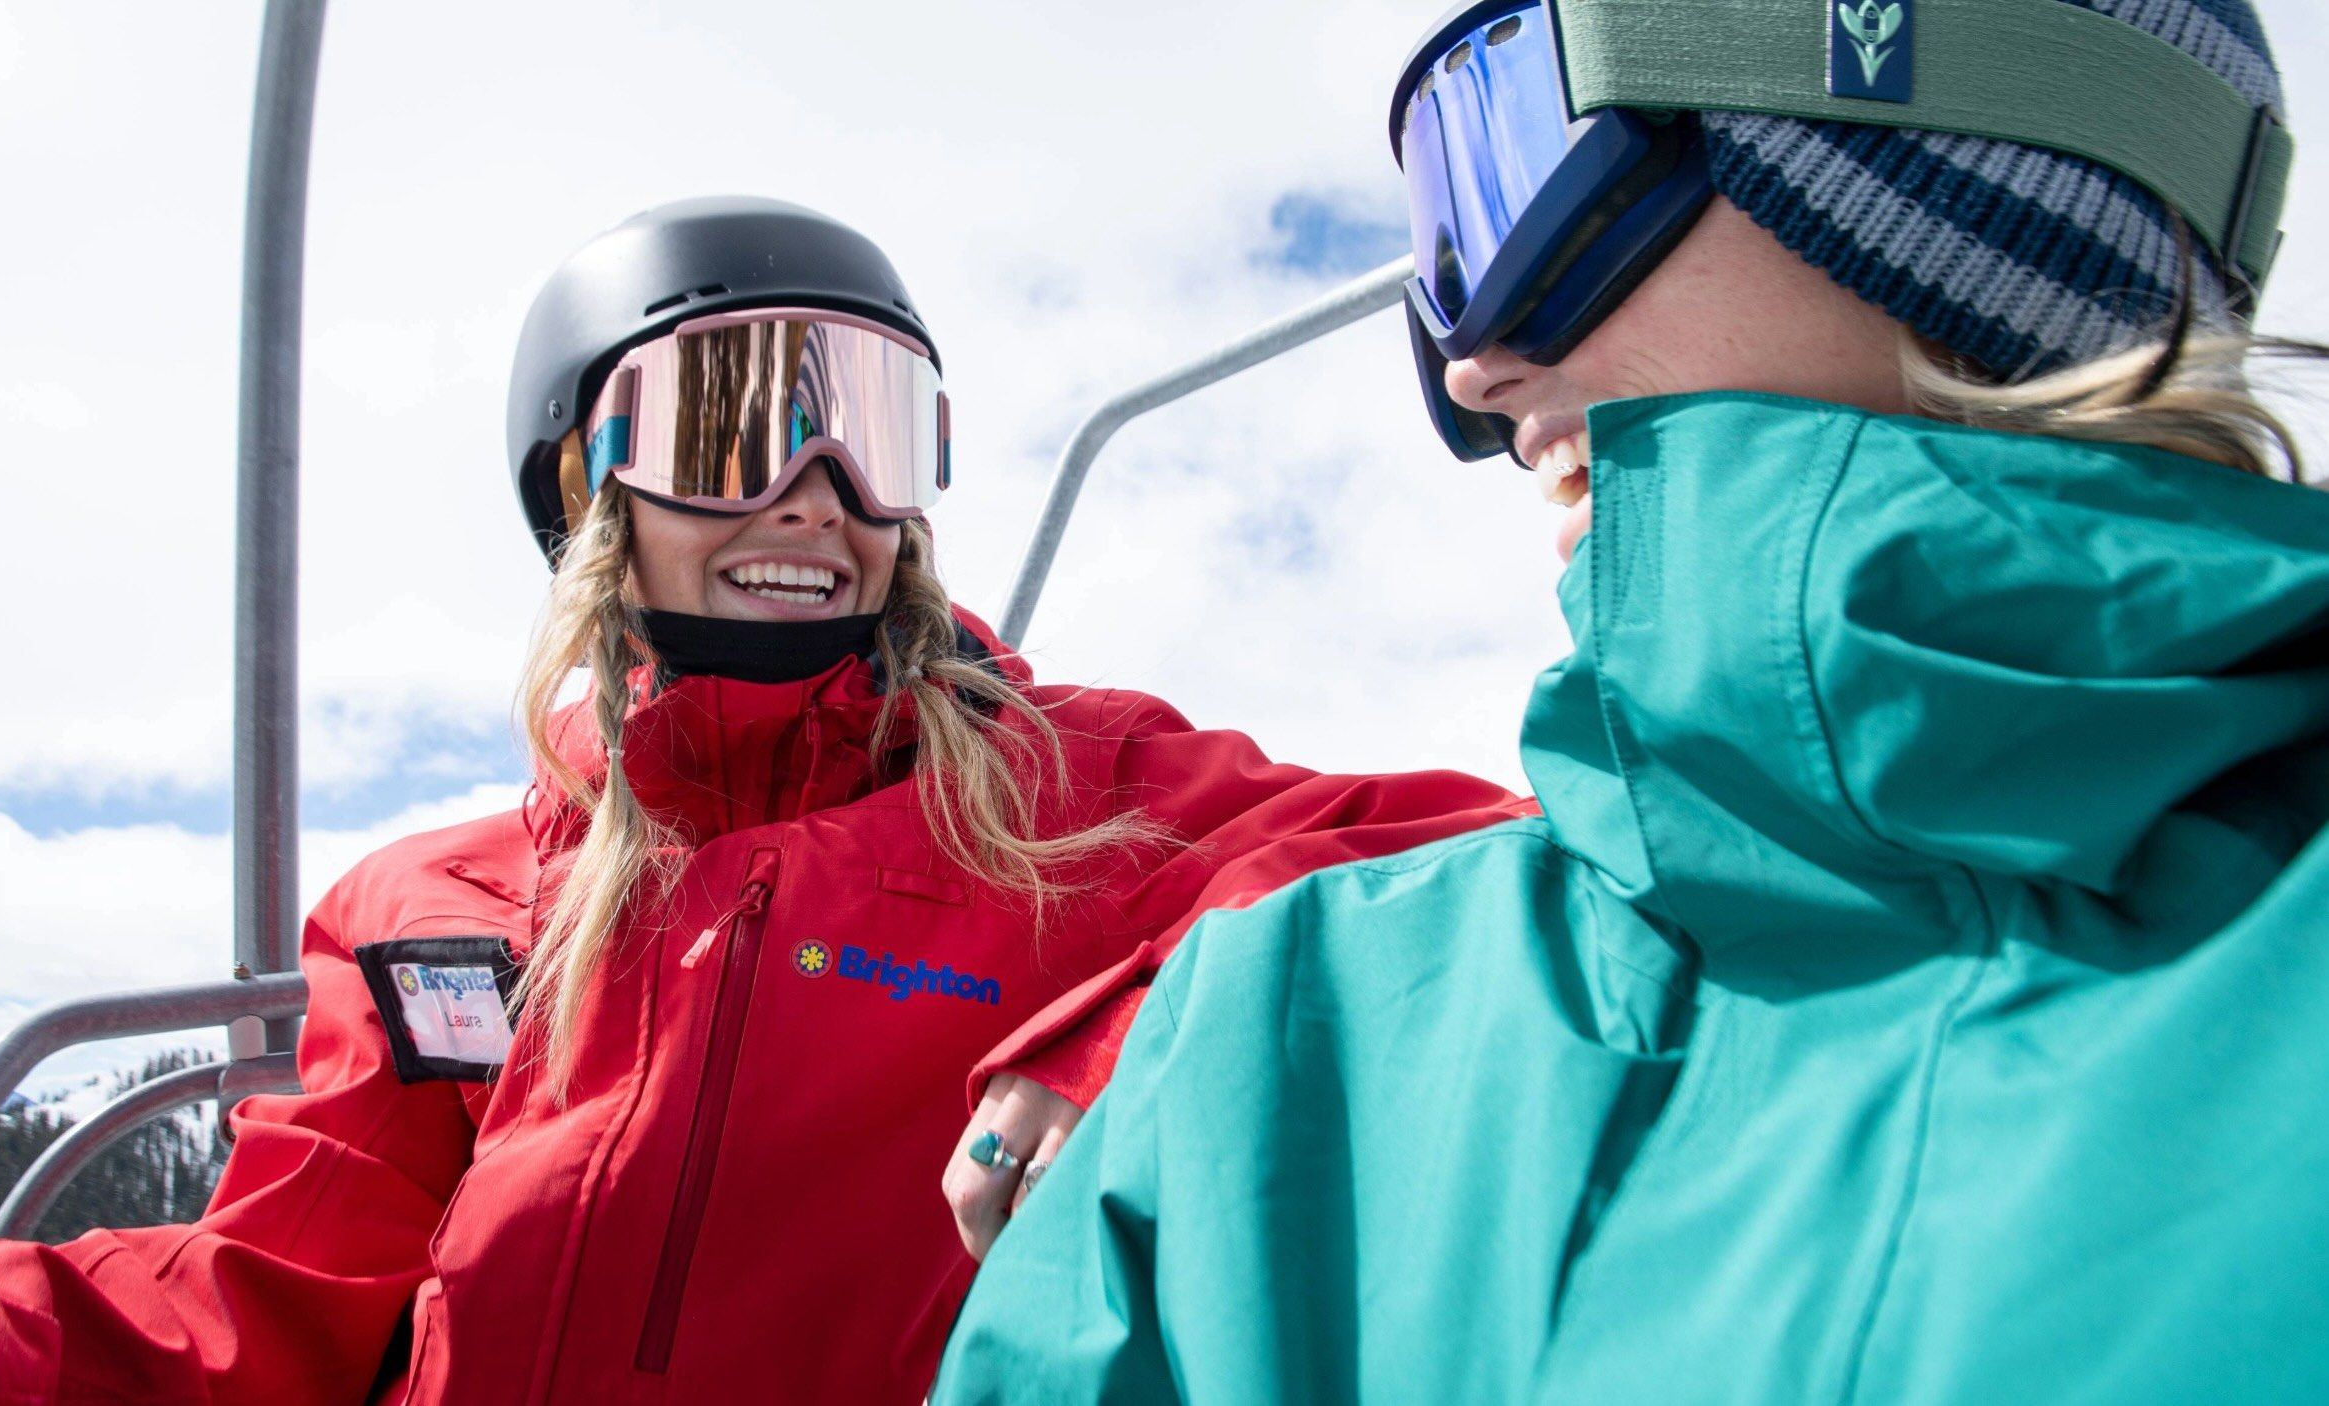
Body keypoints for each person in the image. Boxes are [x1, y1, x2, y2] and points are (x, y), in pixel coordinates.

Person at [0, 198, 1533, 1404]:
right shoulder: (432, 911)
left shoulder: (1062, 804)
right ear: (588, 482)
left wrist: (1145, 1032)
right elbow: (262, 1316)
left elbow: (1469, 862)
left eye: (868, 427)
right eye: (733, 421)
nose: (815, 491)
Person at [935, 1, 2329, 1402]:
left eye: (1522, 152)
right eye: (1444, 242)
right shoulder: (1284, 1066)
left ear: (1939, 137)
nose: (1472, 372)